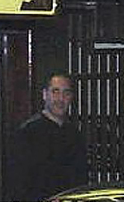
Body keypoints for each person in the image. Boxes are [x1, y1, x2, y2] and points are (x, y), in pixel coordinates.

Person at [8, 73, 88, 201]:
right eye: (55, 92)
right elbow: (18, 184)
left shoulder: (75, 135)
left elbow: (80, 180)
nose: (61, 99)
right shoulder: (28, 133)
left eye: (66, 93)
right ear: (45, 95)